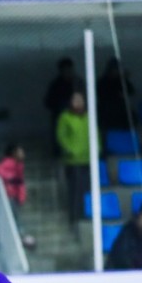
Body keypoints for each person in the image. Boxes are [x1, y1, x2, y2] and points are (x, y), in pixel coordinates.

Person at [56, 92, 91, 225]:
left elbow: (95, 133)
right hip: (73, 161)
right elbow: (61, 136)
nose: (78, 103)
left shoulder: (88, 116)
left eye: (80, 100)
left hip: (87, 159)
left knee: (86, 189)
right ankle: (75, 217)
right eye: (75, 100)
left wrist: (97, 148)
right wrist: (71, 150)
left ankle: (86, 214)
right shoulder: (65, 117)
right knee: (75, 190)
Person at [42, 58, 84, 155]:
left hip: (79, 118)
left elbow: (86, 98)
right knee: (60, 142)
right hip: (61, 118)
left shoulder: (78, 83)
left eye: (69, 69)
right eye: (65, 70)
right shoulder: (56, 85)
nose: (68, 72)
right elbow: (48, 102)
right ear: (61, 71)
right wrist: (62, 107)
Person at [96, 57, 136, 134]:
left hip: (121, 111)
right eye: (115, 69)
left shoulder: (121, 80)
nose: (116, 71)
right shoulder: (102, 81)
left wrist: (124, 78)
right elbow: (104, 95)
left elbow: (131, 91)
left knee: (131, 118)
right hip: (106, 111)